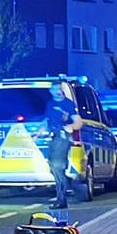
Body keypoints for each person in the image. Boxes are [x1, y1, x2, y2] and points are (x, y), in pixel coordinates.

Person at [44, 81, 81, 210]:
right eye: (54, 89)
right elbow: (47, 120)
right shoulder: (50, 104)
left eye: (59, 89)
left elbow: (78, 122)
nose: (57, 91)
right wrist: (37, 135)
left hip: (63, 137)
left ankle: (61, 200)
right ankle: (70, 184)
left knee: (57, 167)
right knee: (53, 168)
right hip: (53, 137)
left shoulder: (68, 104)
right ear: (51, 91)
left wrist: (70, 126)